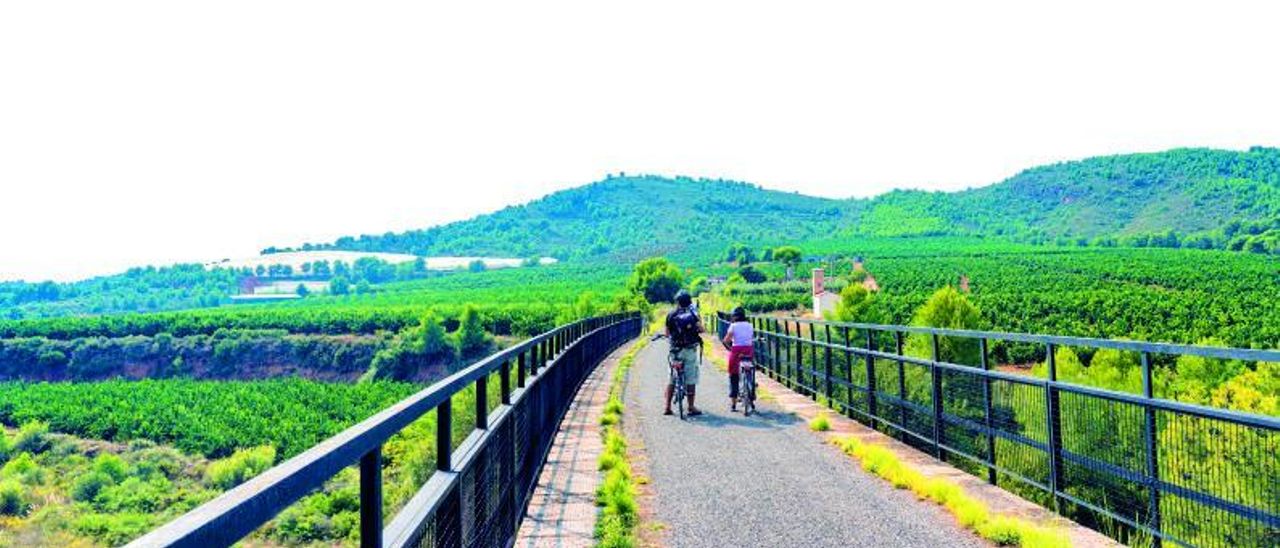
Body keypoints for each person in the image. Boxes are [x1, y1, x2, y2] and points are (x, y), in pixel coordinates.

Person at [665, 290, 704, 416]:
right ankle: (691, 407)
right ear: (689, 302)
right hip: (689, 349)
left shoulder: (671, 315)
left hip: (675, 350)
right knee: (690, 378)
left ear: (677, 301)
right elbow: (702, 329)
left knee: (672, 378)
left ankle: (667, 407)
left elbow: (667, 334)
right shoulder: (693, 315)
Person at [721, 306, 755, 411]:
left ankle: (733, 404)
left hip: (736, 351)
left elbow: (726, 340)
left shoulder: (733, 326)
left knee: (733, 376)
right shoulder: (750, 325)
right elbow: (751, 338)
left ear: (734, 316)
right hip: (748, 351)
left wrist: (730, 349)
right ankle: (751, 395)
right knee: (751, 372)